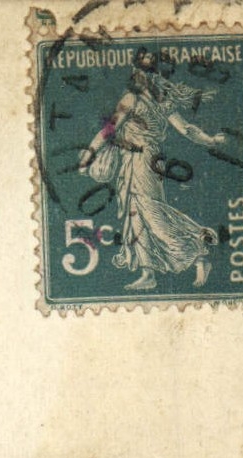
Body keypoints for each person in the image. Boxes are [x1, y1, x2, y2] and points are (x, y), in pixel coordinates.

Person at [79, 49, 227, 289]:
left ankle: (198, 249)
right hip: (147, 160)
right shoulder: (162, 101)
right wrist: (210, 140)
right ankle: (148, 274)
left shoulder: (132, 98)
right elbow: (187, 129)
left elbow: (109, 130)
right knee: (136, 214)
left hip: (140, 160)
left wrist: (89, 153)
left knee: (149, 212)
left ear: (139, 73)